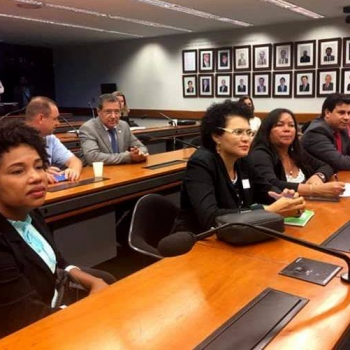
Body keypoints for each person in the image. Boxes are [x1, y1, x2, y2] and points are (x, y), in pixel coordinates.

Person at [0, 119, 113, 338]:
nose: (36, 177)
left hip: (54, 304)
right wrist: (92, 306)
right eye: (17, 171)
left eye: (39, 166)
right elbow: (29, 321)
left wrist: (94, 282)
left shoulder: (30, 211)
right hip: (32, 333)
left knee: (108, 281)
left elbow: (58, 262)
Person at [174, 100, 305, 234]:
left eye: (249, 132)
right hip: (196, 240)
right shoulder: (201, 164)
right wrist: (267, 211)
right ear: (216, 136)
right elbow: (210, 217)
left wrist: (284, 198)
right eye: (238, 132)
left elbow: (264, 188)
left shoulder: (242, 160)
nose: (246, 139)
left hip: (236, 235)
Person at [249, 108, 344, 198]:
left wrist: (318, 176)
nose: (287, 129)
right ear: (267, 130)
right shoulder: (260, 154)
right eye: (280, 125)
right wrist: (313, 189)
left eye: (291, 125)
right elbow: (272, 184)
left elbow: (326, 166)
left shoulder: (294, 152)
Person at [25, 96, 83, 184]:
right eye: (55, 119)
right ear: (41, 118)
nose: (58, 123)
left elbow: (75, 161)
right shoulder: (15, 140)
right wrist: (40, 173)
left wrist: (73, 170)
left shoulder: (49, 138)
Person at [79, 93, 148, 165]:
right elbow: (93, 157)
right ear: (98, 112)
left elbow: (142, 148)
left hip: (120, 171)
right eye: (108, 112)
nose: (113, 116)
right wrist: (127, 157)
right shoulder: (88, 128)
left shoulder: (123, 125)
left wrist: (139, 153)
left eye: (117, 111)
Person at [301, 93, 350, 171]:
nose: (347, 117)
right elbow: (340, 162)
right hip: (316, 179)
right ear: (327, 113)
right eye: (341, 113)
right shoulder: (316, 132)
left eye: (349, 113)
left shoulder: (341, 128)